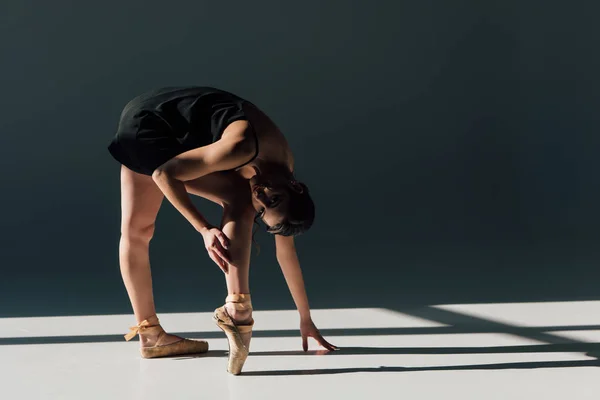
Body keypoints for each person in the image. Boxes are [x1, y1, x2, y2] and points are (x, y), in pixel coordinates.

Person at [107, 86, 337, 375]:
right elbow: (164, 174)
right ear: (296, 186)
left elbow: (286, 252)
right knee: (240, 200)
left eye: (263, 210)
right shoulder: (243, 147)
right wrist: (204, 228)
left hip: (144, 119)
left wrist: (305, 318)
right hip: (154, 122)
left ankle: (151, 335)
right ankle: (239, 309)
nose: (262, 198)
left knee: (137, 231)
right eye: (272, 199)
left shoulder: (278, 173)